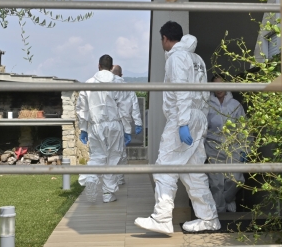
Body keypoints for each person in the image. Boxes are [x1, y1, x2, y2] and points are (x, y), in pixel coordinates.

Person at [134, 21, 220, 235]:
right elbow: (203, 92)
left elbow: (181, 91)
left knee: (164, 166)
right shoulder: (197, 58)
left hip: (185, 117)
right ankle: (209, 218)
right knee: (193, 172)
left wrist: (182, 123)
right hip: (198, 116)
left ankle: (161, 217)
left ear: (165, 38)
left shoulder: (176, 58)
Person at [76, 54, 132, 203]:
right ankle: (107, 193)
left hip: (95, 125)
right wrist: (127, 129)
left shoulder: (88, 84)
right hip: (114, 124)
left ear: (98, 66)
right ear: (111, 66)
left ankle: (92, 178)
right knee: (113, 157)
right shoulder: (118, 82)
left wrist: (83, 129)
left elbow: (82, 109)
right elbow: (125, 109)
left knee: (97, 156)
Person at [205, 74, 246, 213]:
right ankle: (220, 211)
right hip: (213, 147)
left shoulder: (236, 105)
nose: (219, 88)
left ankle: (228, 199)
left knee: (236, 179)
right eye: (215, 85)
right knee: (216, 183)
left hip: (233, 146)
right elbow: (203, 129)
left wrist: (245, 149)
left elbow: (244, 128)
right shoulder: (207, 106)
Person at [111, 64, 143, 185]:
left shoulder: (104, 85)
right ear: (121, 75)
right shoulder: (128, 87)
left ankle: (109, 181)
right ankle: (119, 178)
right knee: (120, 152)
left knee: (107, 153)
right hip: (122, 125)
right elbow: (134, 107)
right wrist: (137, 124)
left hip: (106, 123)